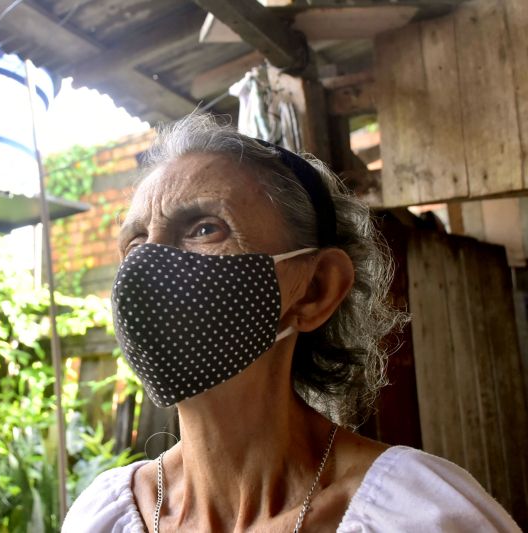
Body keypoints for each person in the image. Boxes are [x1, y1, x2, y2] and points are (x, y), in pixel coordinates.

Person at [61, 114, 520, 532]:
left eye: (205, 228)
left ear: (316, 288)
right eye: (136, 244)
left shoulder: (418, 516)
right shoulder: (101, 519)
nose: (149, 269)